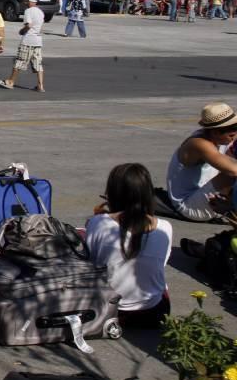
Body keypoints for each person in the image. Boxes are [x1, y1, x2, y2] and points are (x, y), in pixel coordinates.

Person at [86, 164, 172, 329]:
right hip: (155, 312)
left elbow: (91, 262)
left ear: (112, 194)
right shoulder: (165, 227)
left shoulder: (99, 222)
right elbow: (161, 264)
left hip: (108, 312)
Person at [165, 103, 237, 222]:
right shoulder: (199, 144)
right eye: (231, 134)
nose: (234, 136)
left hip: (208, 193)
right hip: (189, 205)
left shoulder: (220, 137)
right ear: (215, 132)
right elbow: (233, 170)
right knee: (229, 175)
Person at [0, 0, 45, 92]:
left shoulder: (28, 11)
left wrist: (21, 31)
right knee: (38, 64)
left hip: (28, 40)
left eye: (25, 0)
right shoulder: (40, 12)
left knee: (19, 62)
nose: (24, 2)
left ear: (29, 1)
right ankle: (40, 85)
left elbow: (28, 25)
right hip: (38, 41)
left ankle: (10, 82)